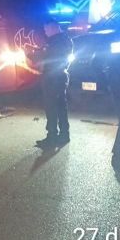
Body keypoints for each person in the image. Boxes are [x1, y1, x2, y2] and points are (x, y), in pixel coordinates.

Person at [36, 18, 74, 148]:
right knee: (60, 107)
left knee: (52, 108)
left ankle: (52, 136)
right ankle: (63, 135)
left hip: (54, 77)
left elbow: (49, 58)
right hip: (58, 76)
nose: (45, 31)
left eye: (46, 29)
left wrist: (35, 56)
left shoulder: (57, 42)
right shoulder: (63, 40)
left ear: (53, 27)